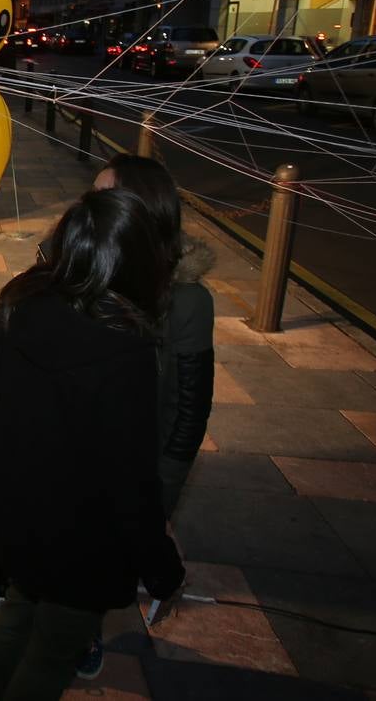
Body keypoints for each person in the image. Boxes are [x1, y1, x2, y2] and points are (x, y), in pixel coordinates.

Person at [0, 189, 185, 701]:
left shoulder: (23, 307)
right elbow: (131, 482)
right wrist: (162, 569)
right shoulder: (128, 354)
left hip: (18, 518)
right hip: (80, 545)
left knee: (14, 619)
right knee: (51, 655)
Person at [93, 154, 215, 514]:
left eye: (104, 197)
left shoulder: (187, 302)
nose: (89, 207)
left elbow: (188, 412)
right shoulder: (82, 273)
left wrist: (163, 492)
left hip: (135, 477)